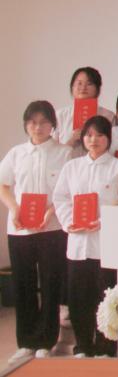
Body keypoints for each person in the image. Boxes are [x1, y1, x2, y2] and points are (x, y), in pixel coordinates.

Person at [53, 115, 118, 358]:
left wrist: (105, 222)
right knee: (79, 298)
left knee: (106, 297)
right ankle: (82, 346)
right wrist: (69, 221)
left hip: (107, 245)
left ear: (108, 139)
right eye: (89, 135)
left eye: (100, 135)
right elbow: (60, 198)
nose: (94, 140)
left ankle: (106, 346)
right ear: (83, 138)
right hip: (78, 244)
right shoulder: (72, 167)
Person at [0, 101, 72, 362]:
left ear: (53, 124)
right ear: (26, 124)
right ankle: (26, 342)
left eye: (43, 122)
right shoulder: (16, 153)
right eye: (32, 122)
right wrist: (14, 208)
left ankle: (46, 340)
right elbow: (3, 185)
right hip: (20, 229)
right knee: (23, 284)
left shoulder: (64, 153)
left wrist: (50, 212)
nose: (38, 127)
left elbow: (67, 190)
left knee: (51, 284)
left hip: (51, 228)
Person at [54, 67, 115, 151]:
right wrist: (72, 140)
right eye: (79, 83)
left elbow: (113, 147)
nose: (83, 87)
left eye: (89, 84)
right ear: (72, 87)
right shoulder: (60, 115)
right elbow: (53, 151)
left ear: (97, 88)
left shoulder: (108, 116)